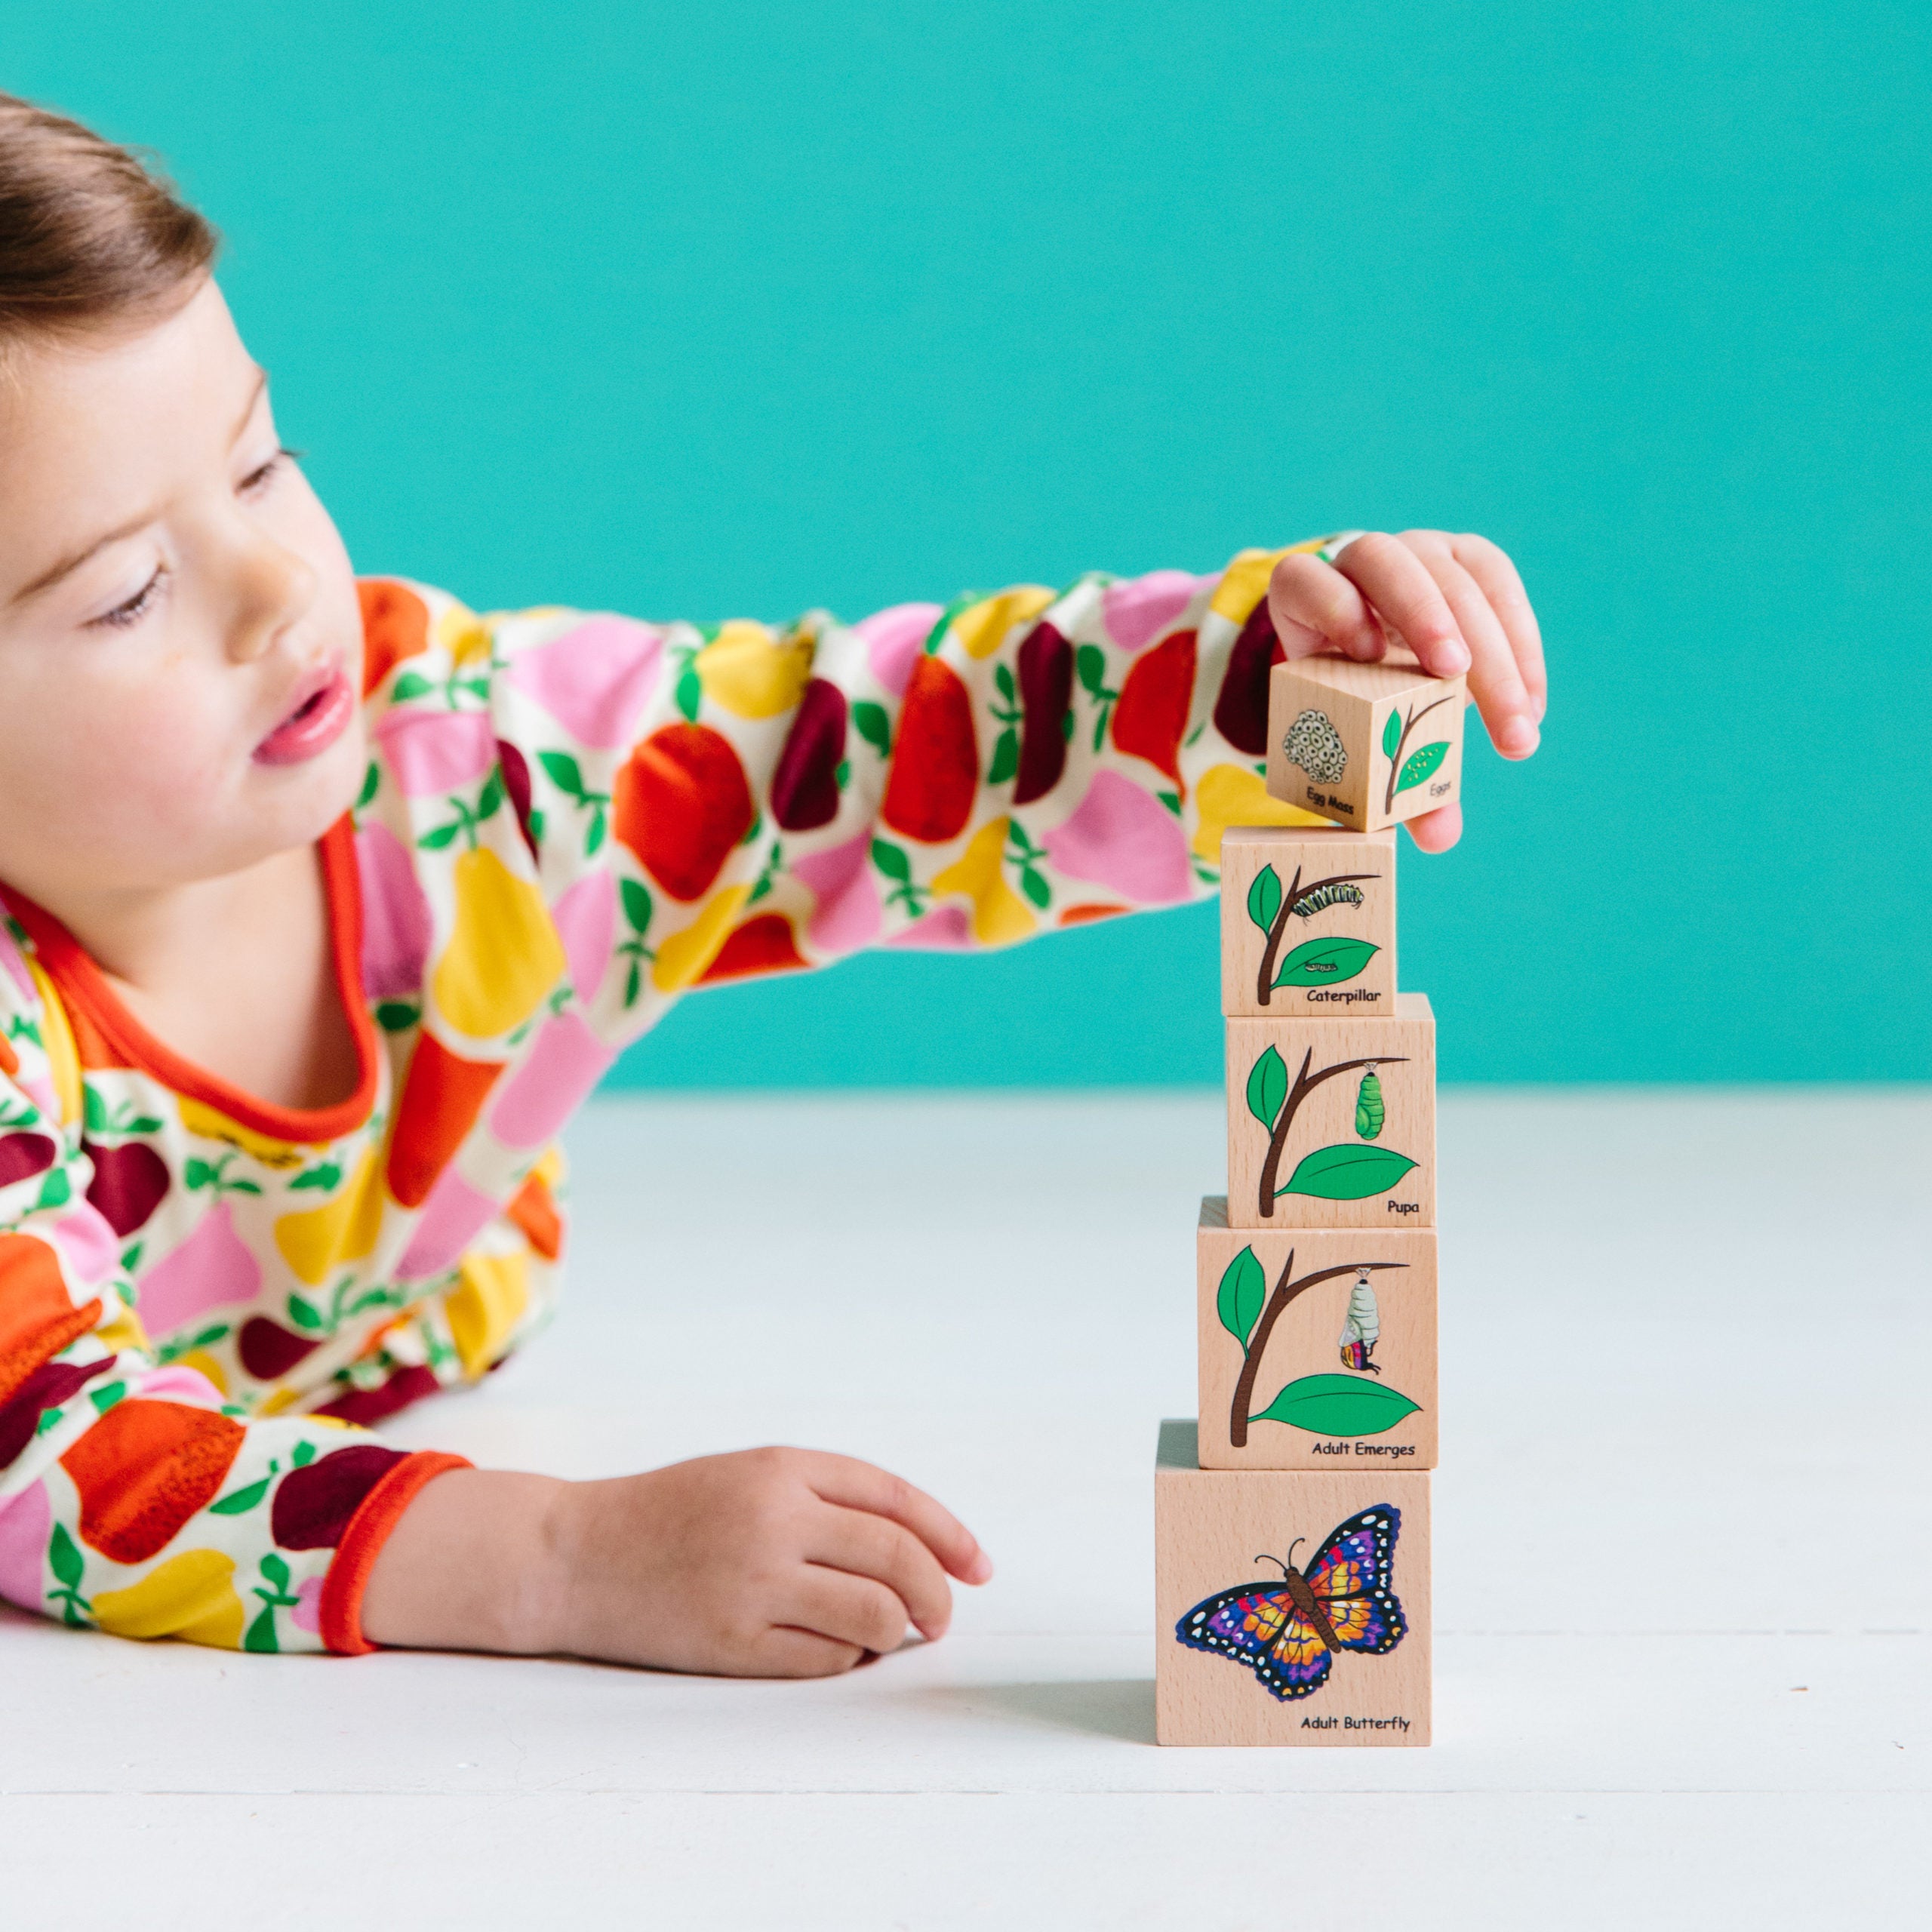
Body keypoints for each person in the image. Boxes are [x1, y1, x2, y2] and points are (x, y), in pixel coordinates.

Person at [0, 93, 1545, 1675]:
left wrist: (1255, 674)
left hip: (402, 1323)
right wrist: (551, 1554)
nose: (279, 592)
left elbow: (876, 749)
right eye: (128, 594)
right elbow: (43, 1442)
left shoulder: (489, 766)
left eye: (264, 466)